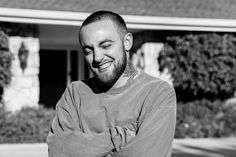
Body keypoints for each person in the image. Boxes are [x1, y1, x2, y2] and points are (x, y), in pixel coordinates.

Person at [47, 10, 177, 157]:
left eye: (105, 45)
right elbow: (57, 149)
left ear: (127, 42)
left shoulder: (157, 92)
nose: (97, 57)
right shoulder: (75, 93)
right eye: (88, 50)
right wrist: (117, 137)